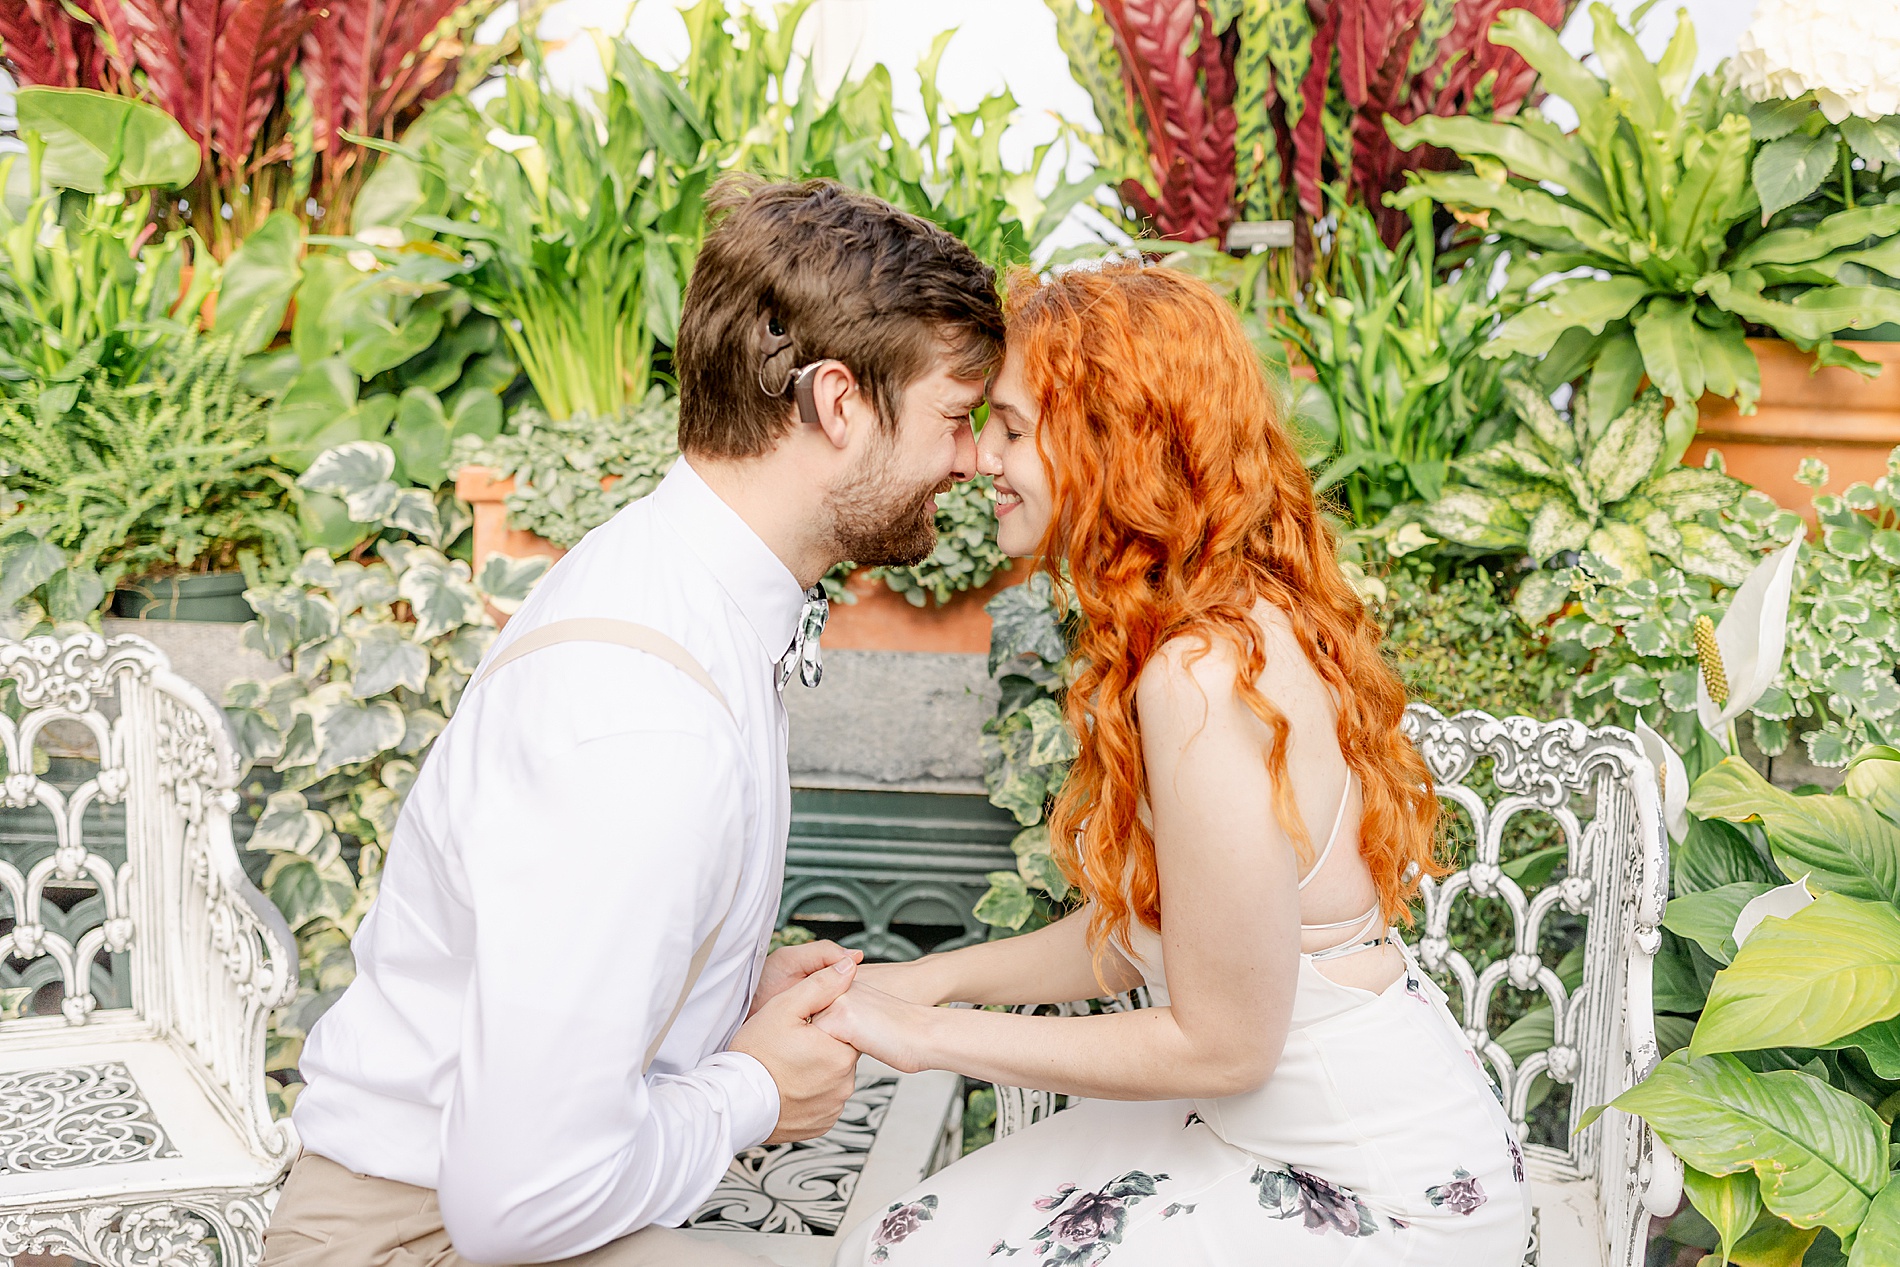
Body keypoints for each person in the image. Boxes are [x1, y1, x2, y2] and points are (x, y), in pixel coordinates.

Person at [261, 177, 1006, 1267]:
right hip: (409, 1237)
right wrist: (753, 1085)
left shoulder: (681, 581)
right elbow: (517, 1204)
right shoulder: (644, 725)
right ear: (838, 403)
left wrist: (710, 988)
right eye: (955, 415)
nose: (976, 457)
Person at [819, 262, 1532, 1266]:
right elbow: (1149, 935)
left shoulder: (1198, 673)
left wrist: (928, 1038)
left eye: (1014, 428)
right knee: (907, 1236)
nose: (980, 456)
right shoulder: (1211, 628)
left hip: (1379, 1194)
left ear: (1114, 441)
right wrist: (928, 981)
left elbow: (1224, 1044)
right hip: (1276, 1136)